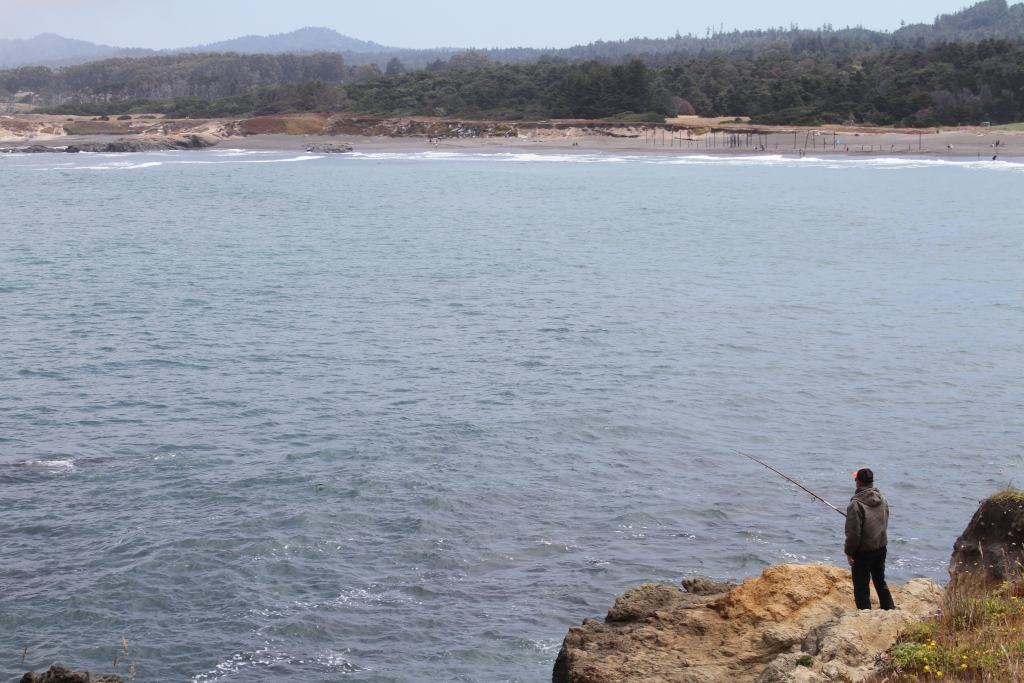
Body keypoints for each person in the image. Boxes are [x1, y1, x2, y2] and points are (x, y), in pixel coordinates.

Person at [845, 467, 895, 610]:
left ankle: (865, 616)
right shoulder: (882, 499)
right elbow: (884, 522)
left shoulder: (855, 504)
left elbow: (853, 534)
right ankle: (889, 609)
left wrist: (850, 552)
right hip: (881, 548)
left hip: (863, 553)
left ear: (858, 483)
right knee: (880, 582)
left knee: (861, 588)